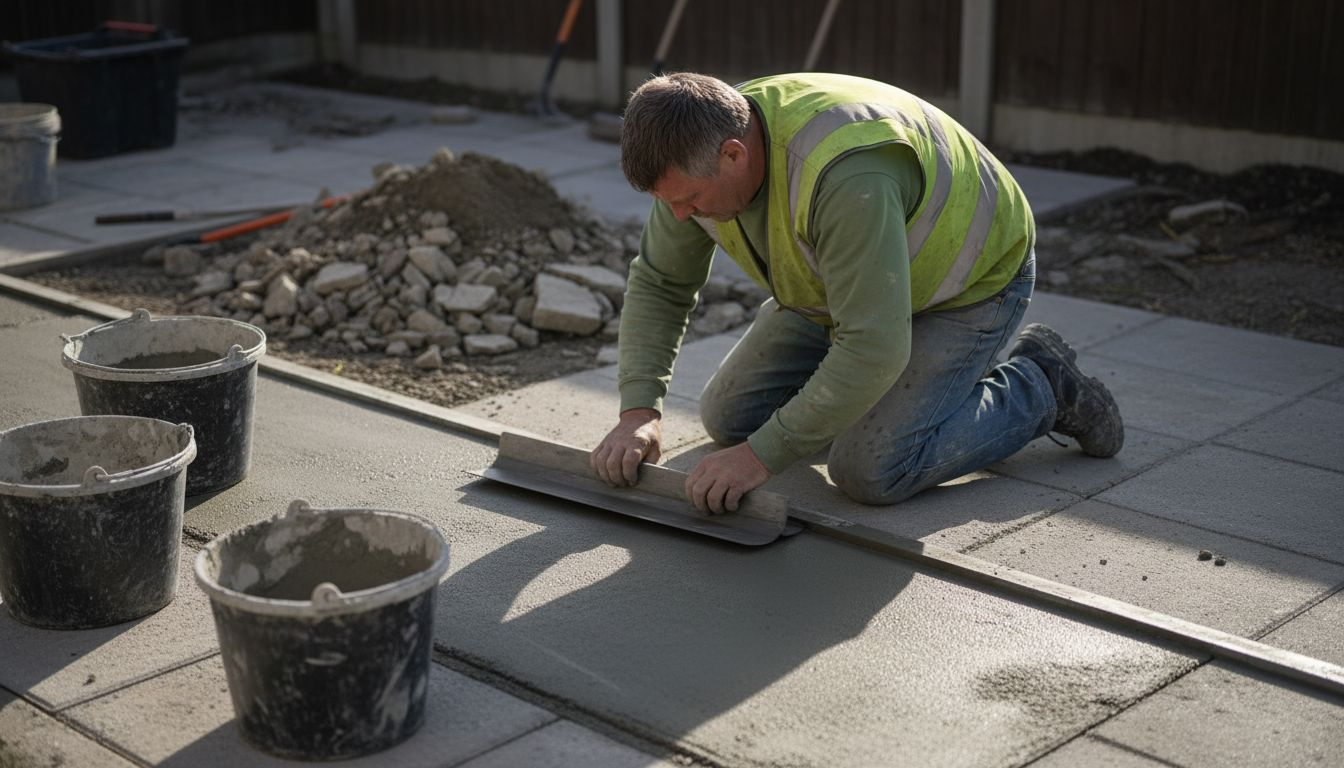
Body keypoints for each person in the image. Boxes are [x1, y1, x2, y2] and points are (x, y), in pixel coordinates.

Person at [590, 71, 1123, 514]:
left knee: (870, 468)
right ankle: (906, 396)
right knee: (731, 418)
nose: (679, 216)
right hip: (840, 288)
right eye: (669, 202)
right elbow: (661, 282)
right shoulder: (700, 146)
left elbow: (873, 347)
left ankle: (1041, 385)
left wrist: (759, 459)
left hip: (966, 285)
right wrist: (638, 412)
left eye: (689, 200)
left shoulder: (843, 174)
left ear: (733, 155)